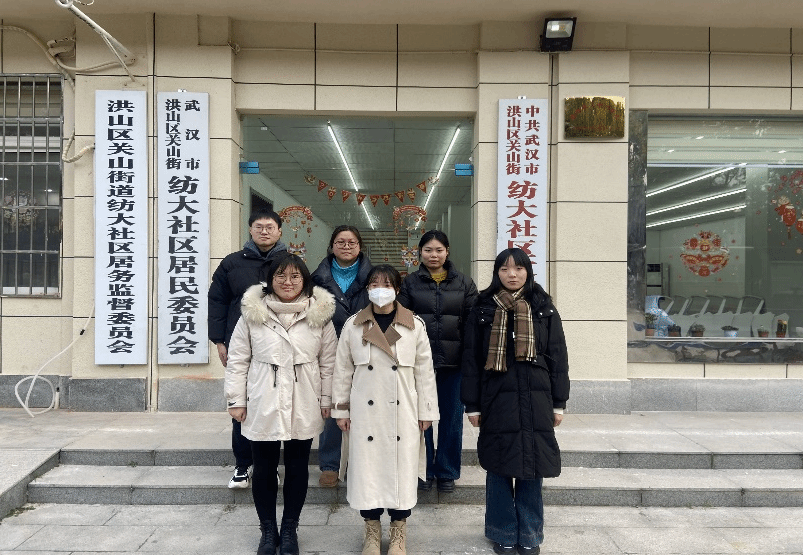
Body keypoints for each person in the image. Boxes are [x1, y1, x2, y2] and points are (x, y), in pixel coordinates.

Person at [225, 254, 337, 555]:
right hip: (263, 397)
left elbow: (329, 363)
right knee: (263, 467)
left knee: (298, 466)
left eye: (295, 276)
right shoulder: (253, 313)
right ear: (270, 280)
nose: (288, 282)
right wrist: (236, 399)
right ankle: (267, 529)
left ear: (305, 280)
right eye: (281, 276)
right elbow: (238, 360)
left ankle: (289, 528)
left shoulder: (320, 315)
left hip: (304, 397)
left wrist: (327, 399)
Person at [461, 248, 570, 555]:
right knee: (498, 466)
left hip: (537, 397)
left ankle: (530, 533)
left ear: (528, 272)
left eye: (519, 268)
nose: (512, 274)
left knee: (532, 466)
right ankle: (502, 531)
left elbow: (558, 356)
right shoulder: (482, 307)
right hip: (496, 397)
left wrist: (559, 402)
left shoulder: (543, 306)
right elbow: (471, 358)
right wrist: (472, 405)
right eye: (505, 269)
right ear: (497, 273)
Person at [332, 265, 439, 555]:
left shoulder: (414, 325)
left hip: (403, 412)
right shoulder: (353, 325)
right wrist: (341, 410)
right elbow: (342, 370)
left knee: (401, 471)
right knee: (367, 472)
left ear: (397, 289)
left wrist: (427, 411)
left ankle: (398, 531)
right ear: (367, 289)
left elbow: (424, 371)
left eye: (387, 284)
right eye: (374, 284)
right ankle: (371, 531)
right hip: (364, 414)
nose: (380, 289)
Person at [209, 208, 287, 489]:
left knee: (274, 405)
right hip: (240, 342)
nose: (264, 231)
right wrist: (219, 340)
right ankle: (243, 464)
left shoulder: (290, 263)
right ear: (250, 230)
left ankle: (270, 465)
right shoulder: (232, 263)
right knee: (240, 402)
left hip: (277, 345)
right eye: (259, 227)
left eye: (270, 227)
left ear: (279, 231)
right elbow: (217, 301)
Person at [397, 230, 478, 493]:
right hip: (420, 365)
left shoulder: (464, 284)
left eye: (439, 250)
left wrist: (470, 359)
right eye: (428, 250)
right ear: (420, 253)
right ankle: (424, 470)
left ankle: (447, 471)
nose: (434, 255)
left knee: (452, 420)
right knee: (422, 419)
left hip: (454, 365)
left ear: (447, 251)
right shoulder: (410, 284)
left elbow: (473, 325)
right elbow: (402, 323)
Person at [311, 225, 373, 487]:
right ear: (332, 246)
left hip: (367, 348)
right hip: (329, 348)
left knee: (367, 406)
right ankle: (330, 464)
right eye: (340, 242)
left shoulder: (374, 277)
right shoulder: (317, 279)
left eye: (351, 242)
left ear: (360, 246)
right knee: (333, 403)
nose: (346, 246)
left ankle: (361, 463)